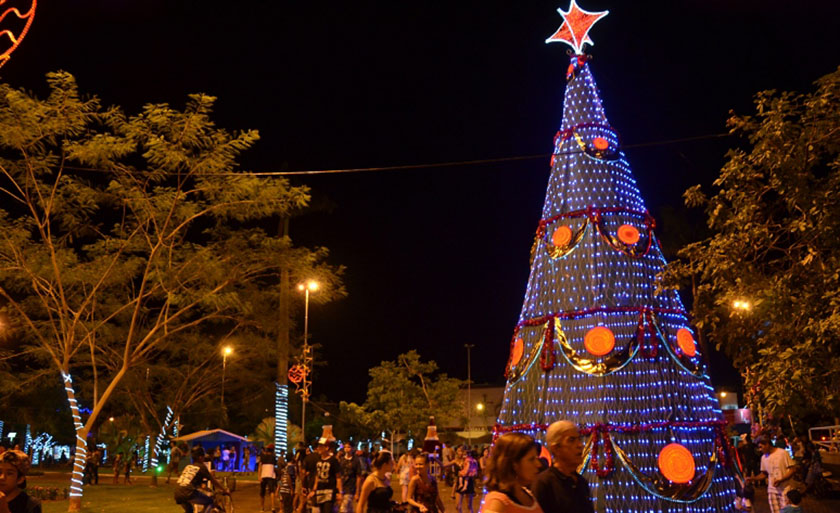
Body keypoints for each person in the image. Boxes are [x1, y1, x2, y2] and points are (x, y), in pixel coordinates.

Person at [533, 420, 593, 513]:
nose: (580, 445)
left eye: (579, 439)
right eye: (571, 440)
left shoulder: (581, 482)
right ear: (556, 448)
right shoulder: (544, 483)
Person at [479, 432, 542, 513]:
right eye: (531, 459)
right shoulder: (498, 502)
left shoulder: (526, 494)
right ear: (514, 464)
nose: (538, 464)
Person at [747, 436, 796, 513]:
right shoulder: (763, 458)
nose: (760, 450)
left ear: (767, 444)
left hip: (785, 489)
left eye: (761, 447)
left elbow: (792, 470)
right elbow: (764, 474)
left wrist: (781, 479)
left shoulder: (782, 453)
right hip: (772, 490)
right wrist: (753, 478)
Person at [174, 446, 229, 513]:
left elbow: (192, 482)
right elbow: (213, 480)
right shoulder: (201, 466)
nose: (204, 458)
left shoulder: (188, 466)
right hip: (188, 492)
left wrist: (206, 489)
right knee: (210, 502)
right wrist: (224, 490)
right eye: (203, 456)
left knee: (189, 510)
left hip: (177, 492)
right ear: (200, 457)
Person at [311, 441, 343, 513]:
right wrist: (314, 490)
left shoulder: (333, 460)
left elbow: (338, 477)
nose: (318, 448)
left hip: (330, 491)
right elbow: (317, 476)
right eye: (318, 447)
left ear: (327, 448)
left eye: (320, 447)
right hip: (320, 491)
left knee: (328, 510)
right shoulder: (318, 460)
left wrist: (339, 492)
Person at [339, 444, 362, 513]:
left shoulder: (356, 460)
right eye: (345, 447)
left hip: (351, 487)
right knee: (349, 508)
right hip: (342, 486)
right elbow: (339, 475)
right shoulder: (342, 460)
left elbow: (358, 476)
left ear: (352, 448)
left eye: (349, 447)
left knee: (344, 508)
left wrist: (357, 492)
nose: (346, 449)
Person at [260, 444, 278, 513]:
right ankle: (273, 507)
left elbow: (259, 467)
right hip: (271, 475)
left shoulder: (263, 456)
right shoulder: (273, 457)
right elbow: (275, 466)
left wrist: (259, 476)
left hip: (263, 475)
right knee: (272, 492)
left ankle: (262, 508)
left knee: (262, 493)